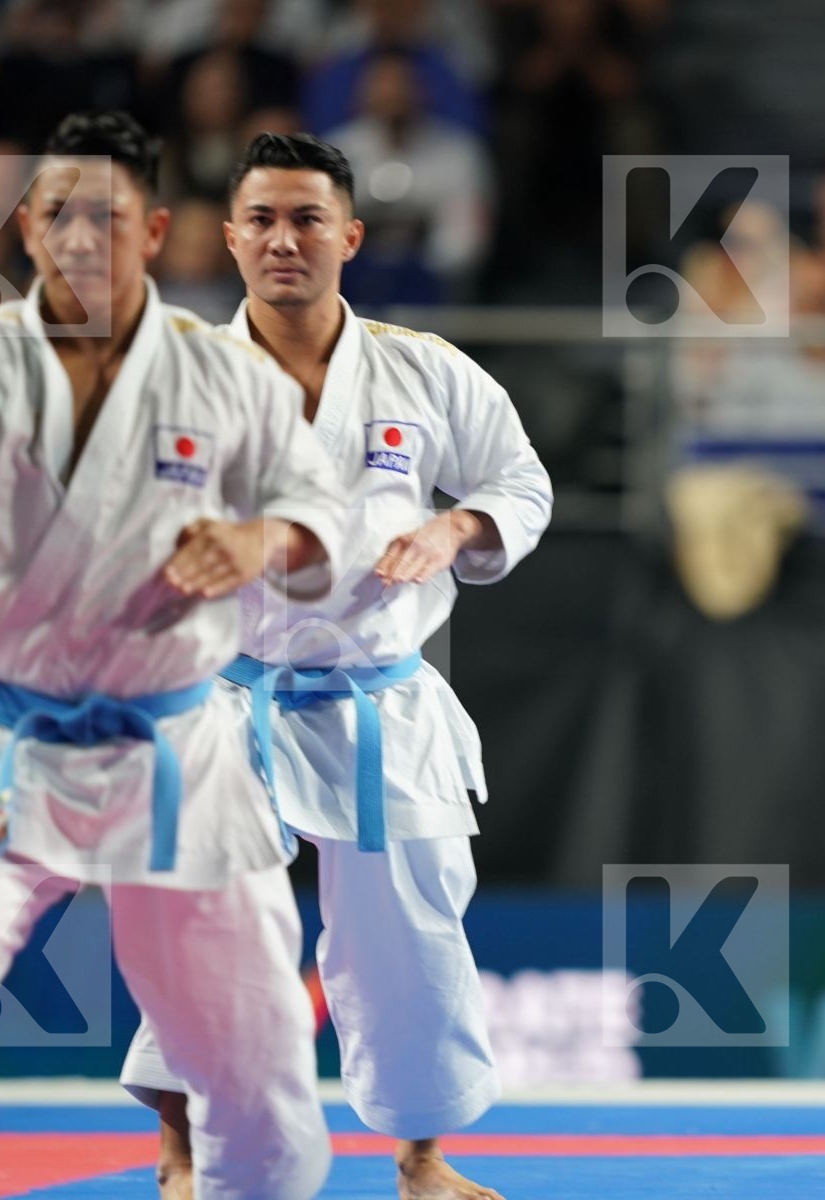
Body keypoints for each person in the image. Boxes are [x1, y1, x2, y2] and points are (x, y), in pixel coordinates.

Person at [0, 110, 346, 1200]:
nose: (80, 237)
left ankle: (261, 1185)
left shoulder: (226, 380)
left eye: (106, 217)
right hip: (0, 733)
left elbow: (316, 513)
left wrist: (259, 538)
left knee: (250, 1020)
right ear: (25, 225)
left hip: (171, 745)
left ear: (153, 230)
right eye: (58, 213)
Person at [118, 131, 551, 1200]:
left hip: (377, 693)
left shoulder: (422, 367)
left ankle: (424, 1162)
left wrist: (455, 531)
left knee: (409, 928)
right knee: (199, 918)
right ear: (229, 238)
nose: (283, 240)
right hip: (225, 693)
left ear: (349, 236)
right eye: (261, 219)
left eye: (307, 219)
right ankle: (181, 1153)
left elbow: (521, 481)